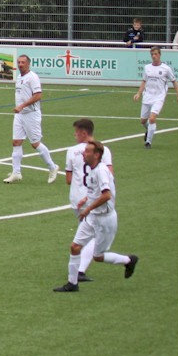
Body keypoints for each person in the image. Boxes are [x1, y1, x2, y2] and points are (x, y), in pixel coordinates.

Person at [53, 140, 138, 292]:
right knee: (75, 247)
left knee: (98, 256)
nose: (84, 154)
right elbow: (95, 191)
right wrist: (86, 200)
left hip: (105, 220)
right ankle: (72, 283)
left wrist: (88, 209)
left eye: (87, 151)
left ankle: (128, 260)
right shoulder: (92, 169)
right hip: (92, 217)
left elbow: (106, 195)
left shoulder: (101, 171)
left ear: (96, 155)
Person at [64, 119, 113, 283]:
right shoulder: (103, 150)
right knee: (92, 236)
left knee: (83, 234)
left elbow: (68, 179)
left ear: (83, 133)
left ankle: (76, 274)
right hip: (95, 198)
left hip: (77, 198)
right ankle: (80, 271)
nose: (74, 135)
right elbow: (110, 175)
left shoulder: (71, 151)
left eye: (76, 132)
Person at [3, 54, 59, 184]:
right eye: (19, 62)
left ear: (28, 64)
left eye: (23, 62)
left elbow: (38, 95)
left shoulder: (33, 77)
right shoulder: (19, 77)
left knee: (35, 143)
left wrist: (22, 106)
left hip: (31, 114)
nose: (20, 64)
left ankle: (52, 167)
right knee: (16, 142)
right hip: (20, 115)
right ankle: (16, 172)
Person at [132, 45, 178, 148]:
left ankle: (148, 142)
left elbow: (174, 82)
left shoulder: (166, 68)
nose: (154, 56)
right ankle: (149, 129)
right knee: (143, 121)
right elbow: (144, 81)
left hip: (159, 97)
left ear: (160, 55)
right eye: (152, 54)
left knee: (152, 118)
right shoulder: (147, 68)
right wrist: (138, 93)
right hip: (147, 96)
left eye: (155, 54)